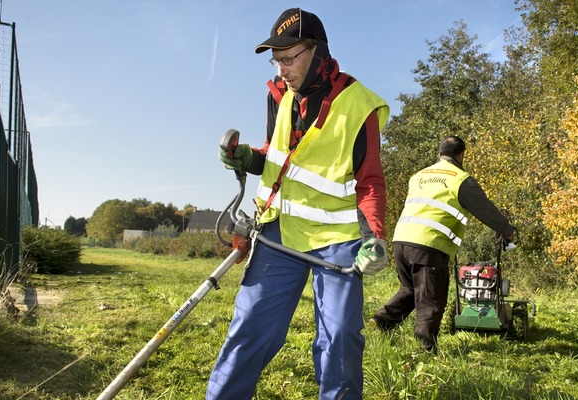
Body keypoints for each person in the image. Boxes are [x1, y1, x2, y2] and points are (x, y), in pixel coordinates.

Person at [208, 8, 390, 400]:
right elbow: (280, 156)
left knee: (339, 337)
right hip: (280, 234)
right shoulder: (280, 95)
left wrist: (374, 236)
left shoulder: (359, 105)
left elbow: (370, 180)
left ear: (318, 52)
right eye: (277, 60)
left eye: (289, 58)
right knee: (250, 327)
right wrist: (248, 159)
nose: (282, 69)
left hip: (338, 240)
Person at [370, 135, 516, 352]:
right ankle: (424, 352)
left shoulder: (419, 176)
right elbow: (486, 211)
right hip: (429, 244)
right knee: (431, 300)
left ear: (439, 153)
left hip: (401, 241)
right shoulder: (460, 179)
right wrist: (509, 232)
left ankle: (380, 323)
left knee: (411, 289)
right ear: (461, 154)